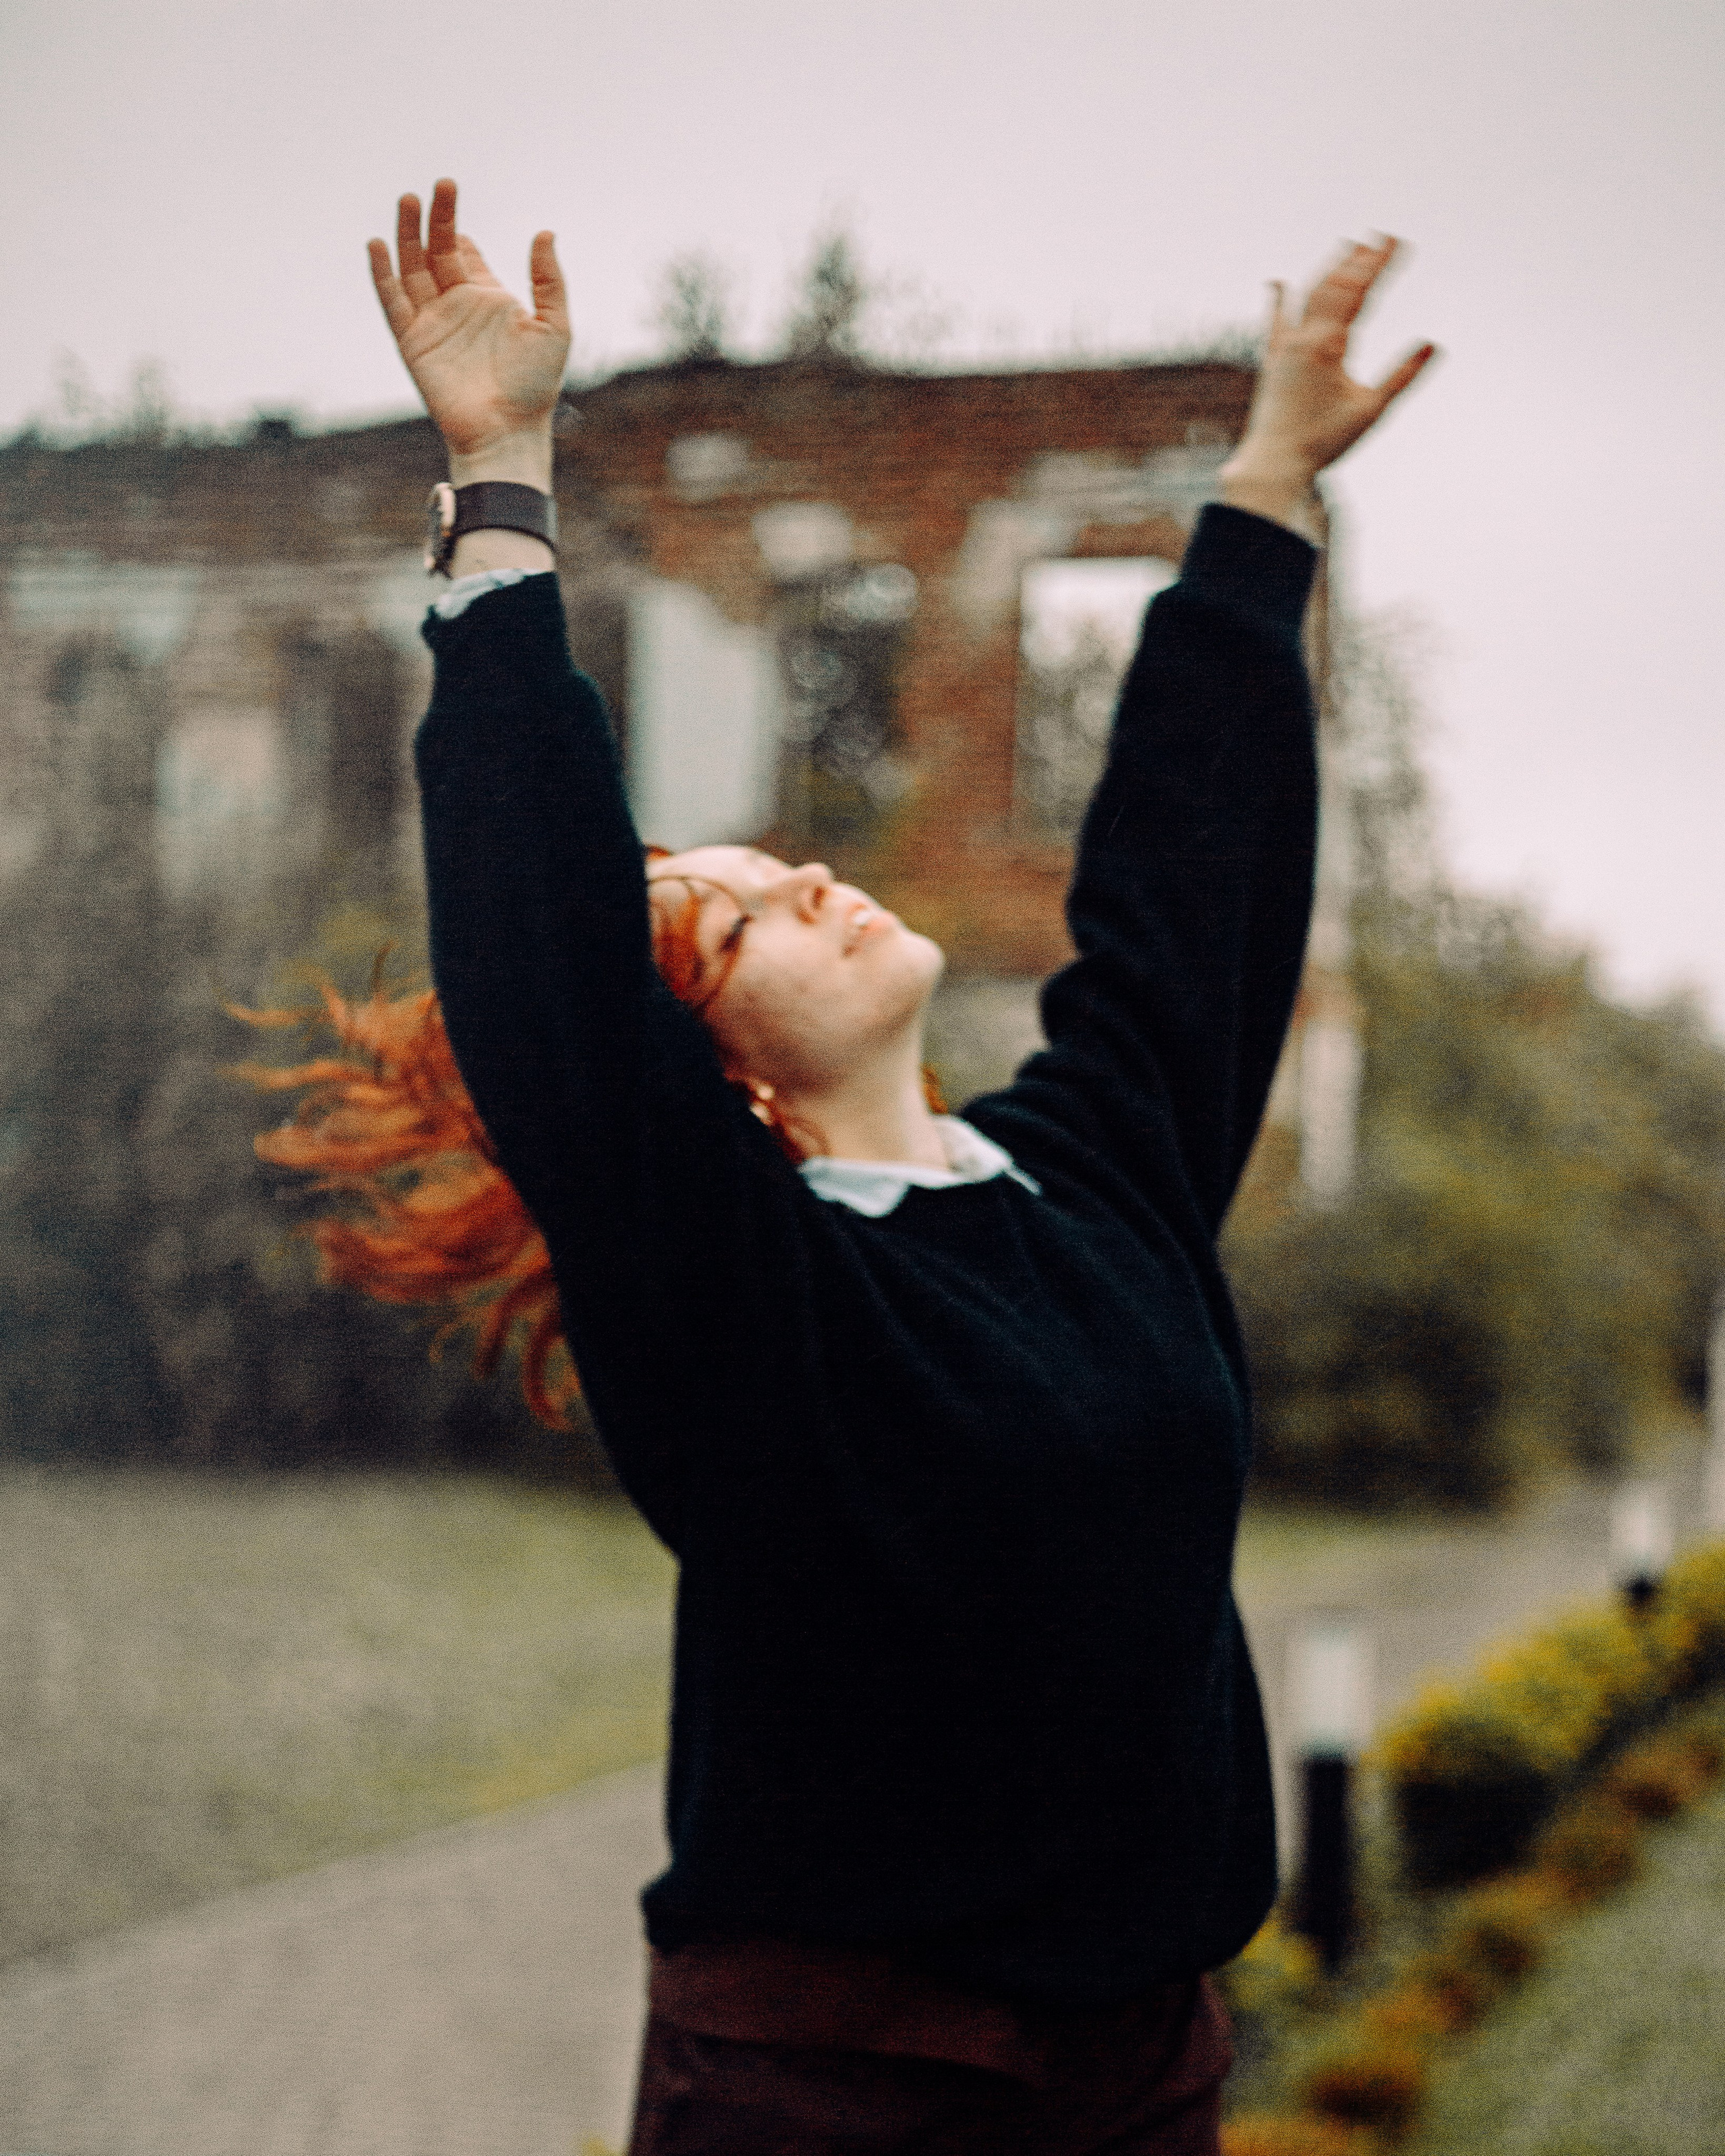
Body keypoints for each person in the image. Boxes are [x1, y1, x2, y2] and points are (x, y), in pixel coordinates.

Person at [361, 180, 1434, 2155]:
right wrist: (502, 479)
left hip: (1154, 2074)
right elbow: (551, 977)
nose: (812, 882)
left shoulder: (1089, 1183)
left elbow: (1189, 907)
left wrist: (1268, 485)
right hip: (840, 2095)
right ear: (729, 1087)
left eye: (779, 868)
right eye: (751, 924)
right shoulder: (740, 1289)